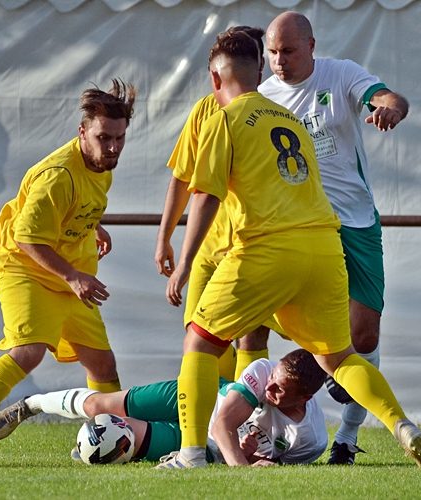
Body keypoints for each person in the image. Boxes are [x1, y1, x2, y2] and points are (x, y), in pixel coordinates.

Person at [158, 29, 421, 470]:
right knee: (339, 357)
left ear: (216, 81)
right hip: (324, 248)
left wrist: (186, 261)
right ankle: (402, 425)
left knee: (199, 341)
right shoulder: (288, 118)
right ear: (258, 71)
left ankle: (193, 454)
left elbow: (205, 196)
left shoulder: (223, 118)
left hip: (269, 248)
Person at [0, 79, 136, 462]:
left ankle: (111, 439)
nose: (112, 147)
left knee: (101, 363)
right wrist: (74, 276)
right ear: (82, 132)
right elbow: (28, 238)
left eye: (119, 138)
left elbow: (77, 203)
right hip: (25, 266)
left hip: (68, 273)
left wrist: (94, 225)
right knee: (29, 351)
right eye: (103, 137)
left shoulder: (101, 164)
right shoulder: (57, 175)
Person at [257, 11, 411, 465]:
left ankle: (346, 433)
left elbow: (386, 96)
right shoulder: (261, 99)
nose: (279, 61)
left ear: (311, 45)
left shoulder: (339, 74)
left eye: (287, 50)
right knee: (254, 325)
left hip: (356, 223)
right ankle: (239, 426)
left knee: (363, 338)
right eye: (272, 52)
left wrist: (390, 109)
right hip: (301, 229)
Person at [155, 25, 280, 381]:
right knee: (199, 337)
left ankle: (240, 420)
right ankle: (212, 422)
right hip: (209, 250)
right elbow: (183, 176)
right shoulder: (207, 111)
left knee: (251, 333)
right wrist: (164, 236)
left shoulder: (272, 111)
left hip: (251, 248)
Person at [0, 348, 329, 466]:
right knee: (100, 406)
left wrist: (249, 455)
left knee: (125, 442)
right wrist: (241, 464)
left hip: (202, 447)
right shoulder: (263, 371)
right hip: (194, 396)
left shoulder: (309, 440)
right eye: (273, 380)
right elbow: (223, 423)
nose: (269, 386)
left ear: (306, 398)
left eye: (280, 389)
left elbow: (260, 460)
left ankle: (92, 449)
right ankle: (30, 405)